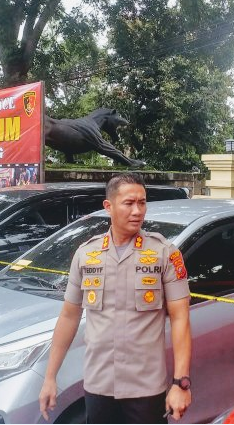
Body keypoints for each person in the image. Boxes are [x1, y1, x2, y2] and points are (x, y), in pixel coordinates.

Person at [39, 172, 192, 423]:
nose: (137, 211)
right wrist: (49, 377)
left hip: (146, 387)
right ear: (108, 206)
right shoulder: (86, 254)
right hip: (98, 384)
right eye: (129, 203)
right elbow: (69, 316)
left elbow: (180, 318)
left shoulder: (164, 253)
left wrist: (181, 383)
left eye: (142, 203)